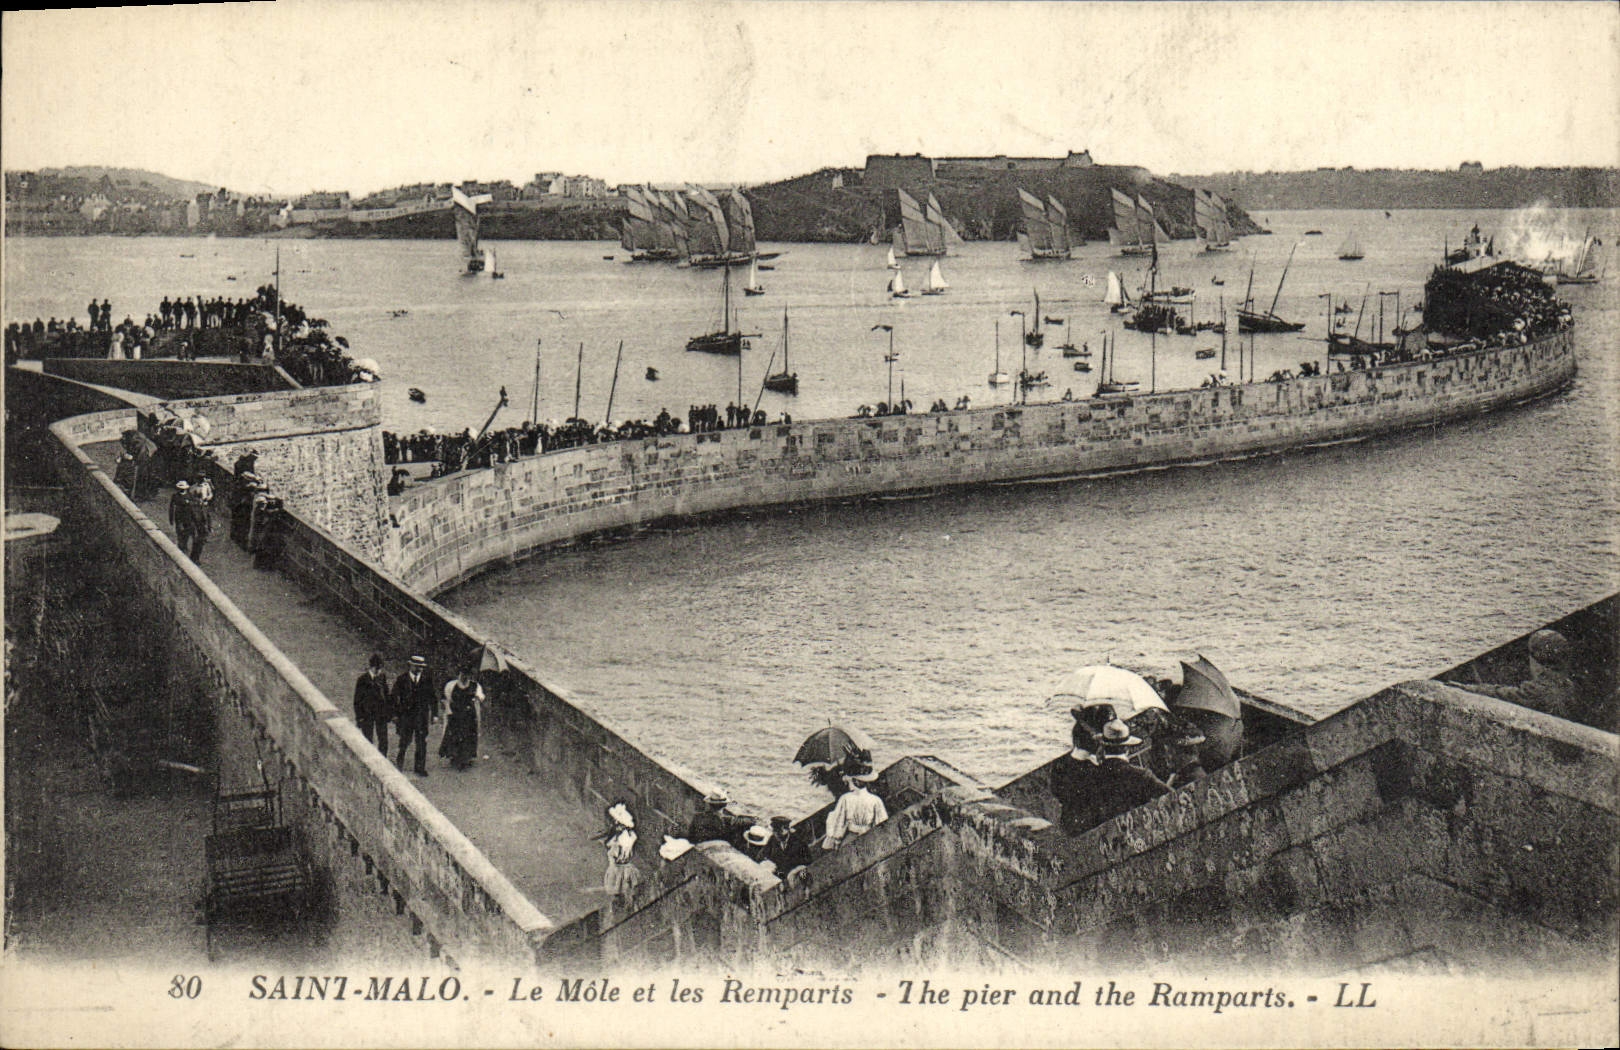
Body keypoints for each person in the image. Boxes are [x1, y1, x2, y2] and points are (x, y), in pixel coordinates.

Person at [1049, 716, 1169, 835]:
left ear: (1103, 747)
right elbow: (1171, 796)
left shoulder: (1089, 776)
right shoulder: (1141, 775)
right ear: (1127, 747)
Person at [1447, 629, 1579, 722]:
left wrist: (1466, 689)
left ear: (1535, 661)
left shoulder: (1536, 691)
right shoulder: (1568, 686)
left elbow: (1501, 694)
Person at [821, 764, 887, 850]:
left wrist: (837, 843)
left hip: (850, 841)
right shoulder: (876, 800)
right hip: (870, 839)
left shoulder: (845, 798)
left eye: (849, 781)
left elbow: (838, 826)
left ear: (855, 781)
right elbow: (881, 824)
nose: (848, 783)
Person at [392, 655, 438, 776]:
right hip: (406, 717)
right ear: (411, 666)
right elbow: (394, 697)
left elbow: (433, 698)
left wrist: (435, 714)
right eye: (418, 667)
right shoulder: (402, 679)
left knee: (421, 742)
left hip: (421, 717)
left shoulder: (427, 680)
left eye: (422, 667)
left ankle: (420, 768)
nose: (420, 669)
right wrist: (395, 714)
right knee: (404, 741)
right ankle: (399, 762)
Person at [438, 665, 484, 770]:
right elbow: (446, 699)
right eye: (462, 675)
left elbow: (480, 698)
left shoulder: (475, 686)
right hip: (456, 714)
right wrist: (448, 710)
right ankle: (454, 756)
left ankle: (466, 758)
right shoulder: (451, 685)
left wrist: (477, 697)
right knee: (455, 734)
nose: (464, 677)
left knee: (468, 735)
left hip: (469, 715)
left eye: (467, 675)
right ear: (459, 674)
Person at [601, 801, 641, 902]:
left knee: (620, 886)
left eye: (617, 822)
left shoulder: (622, 839)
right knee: (623, 886)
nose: (615, 823)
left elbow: (614, 852)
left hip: (618, 868)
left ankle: (623, 901)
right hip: (622, 867)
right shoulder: (626, 836)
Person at [353, 654, 392, 753]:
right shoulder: (362, 679)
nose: (379, 671)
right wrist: (359, 717)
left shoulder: (382, 677)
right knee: (367, 739)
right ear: (373, 667)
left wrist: (388, 712)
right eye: (378, 668)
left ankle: (383, 760)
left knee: (383, 740)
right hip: (367, 714)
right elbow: (357, 700)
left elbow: (386, 695)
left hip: (381, 713)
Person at [168, 480, 193, 554]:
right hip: (179, 517)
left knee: (187, 533)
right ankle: (180, 547)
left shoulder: (189, 496)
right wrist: (171, 518)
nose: (182, 489)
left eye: (183, 488)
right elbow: (171, 507)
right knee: (180, 532)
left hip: (188, 517)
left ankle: (184, 546)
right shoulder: (175, 496)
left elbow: (193, 507)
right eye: (180, 488)